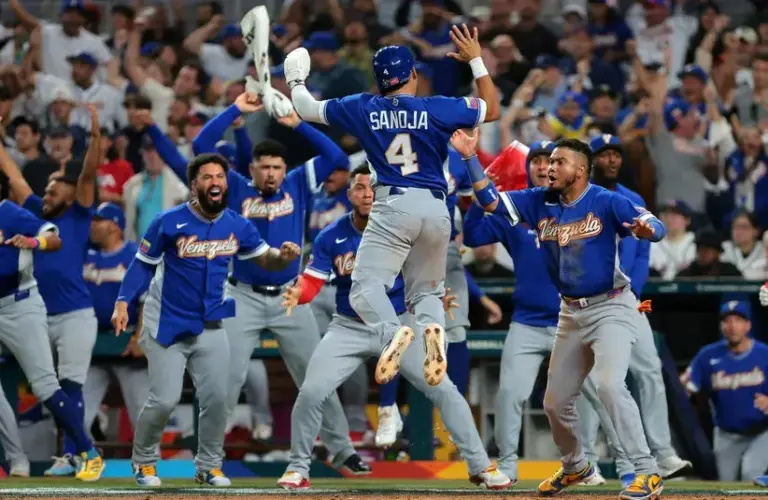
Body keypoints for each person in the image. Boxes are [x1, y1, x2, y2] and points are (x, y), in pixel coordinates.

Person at [285, 25, 500, 387]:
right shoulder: (438, 108)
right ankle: (434, 329)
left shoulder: (361, 106)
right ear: (413, 74)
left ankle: (391, 333)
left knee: (365, 288)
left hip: (394, 205)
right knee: (428, 293)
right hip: (436, 208)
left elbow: (304, 109)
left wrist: (295, 80)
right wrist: (476, 60)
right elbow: (492, 109)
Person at [454, 132, 666, 499]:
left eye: (559, 162)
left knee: (610, 385)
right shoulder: (539, 200)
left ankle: (647, 472)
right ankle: (575, 466)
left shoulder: (606, 201)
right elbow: (488, 202)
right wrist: (471, 158)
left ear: (581, 170)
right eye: (549, 162)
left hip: (611, 306)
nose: (550, 168)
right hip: (570, 312)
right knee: (554, 402)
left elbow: (654, 224)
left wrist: (650, 230)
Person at [275, 165, 512, 490]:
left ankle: (480, 465)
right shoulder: (332, 234)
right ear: (349, 195)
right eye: (359, 188)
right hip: (350, 327)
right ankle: (298, 467)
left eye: (372, 187)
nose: (367, 194)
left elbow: (424, 278)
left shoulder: (404, 230)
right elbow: (313, 284)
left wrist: (435, 298)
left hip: (403, 322)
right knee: (312, 392)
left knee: (445, 390)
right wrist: (298, 293)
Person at [190, 94, 369, 474]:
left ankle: (341, 449)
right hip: (243, 294)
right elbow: (201, 146)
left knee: (316, 374)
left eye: (276, 167)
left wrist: (297, 124)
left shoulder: (299, 181)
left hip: (291, 295)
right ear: (250, 169)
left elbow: (337, 159)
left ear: (284, 167)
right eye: (264, 167)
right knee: (226, 378)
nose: (270, 173)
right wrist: (237, 109)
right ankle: (209, 458)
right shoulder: (235, 187)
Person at [111, 153, 301, 487]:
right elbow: (142, 264)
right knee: (165, 399)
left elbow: (264, 259)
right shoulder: (168, 221)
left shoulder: (237, 224)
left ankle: (209, 466)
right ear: (194, 184)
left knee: (219, 398)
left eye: (220, 177)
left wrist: (280, 256)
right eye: (207, 177)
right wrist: (123, 301)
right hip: (167, 322)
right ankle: (143, 461)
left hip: (211, 322)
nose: (215, 182)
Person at [577, 134, 692, 483]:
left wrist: (636, 292)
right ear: (592, 160)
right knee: (590, 382)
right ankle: (588, 460)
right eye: (604, 154)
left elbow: (642, 254)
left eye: (616, 155)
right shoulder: (580, 197)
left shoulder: (634, 199)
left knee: (649, 370)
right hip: (586, 302)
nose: (611, 160)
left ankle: (663, 452)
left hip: (626, 299)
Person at [0, 109, 104, 482]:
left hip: (63, 310)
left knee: (59, 385)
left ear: (74, 189)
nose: (48, 190)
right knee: (49, 385)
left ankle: (78, 451)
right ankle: (50, 455)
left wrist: (95, 137)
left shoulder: (76, 213)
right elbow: (13, 173)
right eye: (45, 186)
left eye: (56, 184)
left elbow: (88, 174)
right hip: (37, 310)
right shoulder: (29, 208)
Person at [376, 144, 475, 447]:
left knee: (455, 330)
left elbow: (468, 200)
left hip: (443, 245)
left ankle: (451, 414)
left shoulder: (456, 156)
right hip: (401, 240)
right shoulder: (393, 145)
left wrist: (457, 231)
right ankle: (388, 410)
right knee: (396, 326)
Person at [681, 301, 768, 482]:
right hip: (726, 434)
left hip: (762, 432)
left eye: (738, 320)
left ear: (748, 325)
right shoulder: (707, 356)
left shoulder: (764, 353)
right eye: (727, 321)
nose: (732, 326)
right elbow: (687, 388)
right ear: (721, 326)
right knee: (725, 484)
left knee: (750, 473)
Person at [82, 202, 149, 436]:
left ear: (114, 227)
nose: (92, 225)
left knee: (143, 415)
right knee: (77, 414)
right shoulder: (84, 253)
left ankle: (152, 465)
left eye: (98, 220)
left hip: (126, 342)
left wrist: (139, 337)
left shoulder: (134, 256)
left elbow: (147, 301)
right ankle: (81, 460)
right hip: (91, 344)